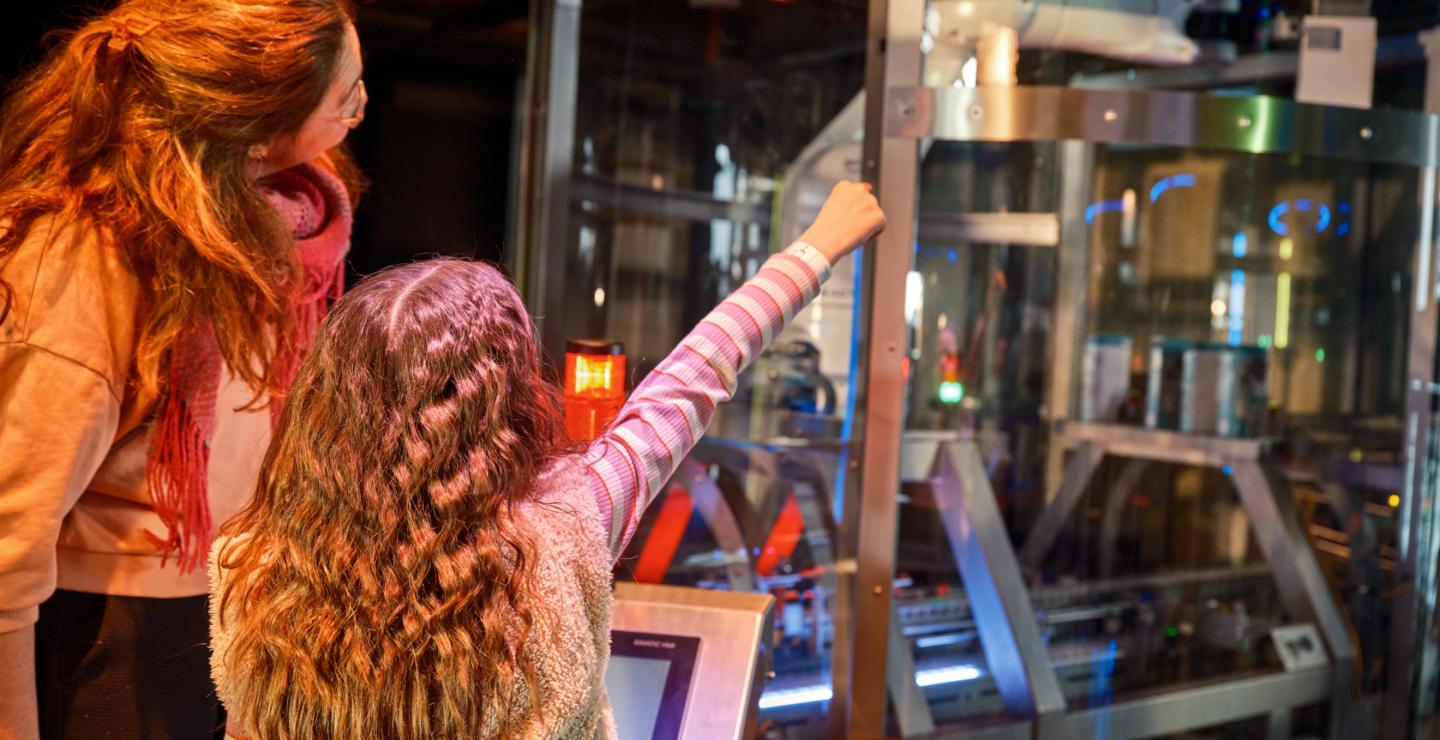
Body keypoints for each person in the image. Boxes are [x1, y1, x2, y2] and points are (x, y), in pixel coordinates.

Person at [209, 181, 885, 738]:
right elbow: (690, 380)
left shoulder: (255, 564)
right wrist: (816, 247)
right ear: (504, 397)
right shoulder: (566, 527)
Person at [0, 1, 367, 737]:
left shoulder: (272, 226)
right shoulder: (88, 256)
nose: (362, 107)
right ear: (255, 132)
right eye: (345, 96)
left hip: (225, 607)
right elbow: (8, 537)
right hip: (109, 635)